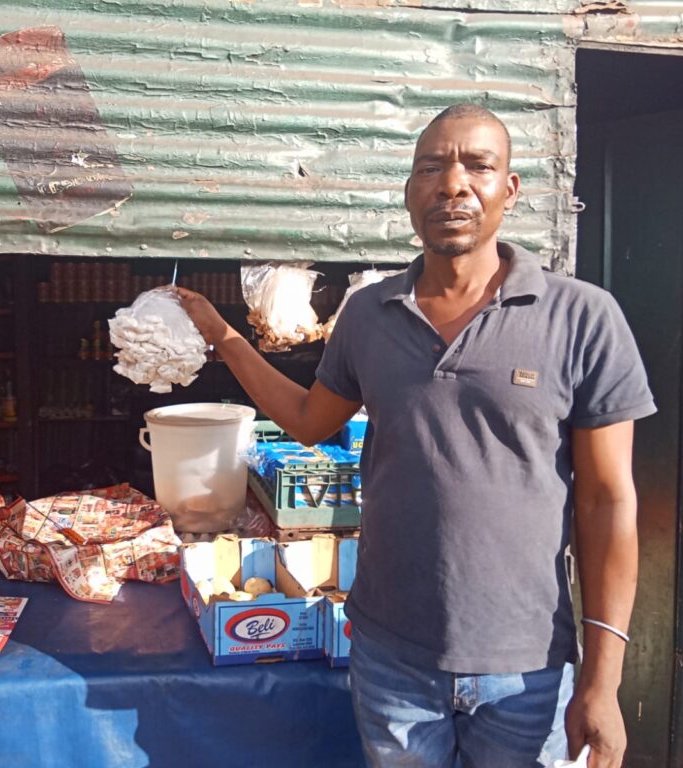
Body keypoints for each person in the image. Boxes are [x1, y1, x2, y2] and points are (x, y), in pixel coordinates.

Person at [177, 103, 655, 768]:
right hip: (392, 662)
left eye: (477, 166)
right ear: (409, 193)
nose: (452, 183)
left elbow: (608, 503)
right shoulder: (369, 315)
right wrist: (226, 339)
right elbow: (313, 421)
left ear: (508, 190)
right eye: (431, 167)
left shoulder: (581, 318)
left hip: (527, 669)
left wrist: (603, 682)